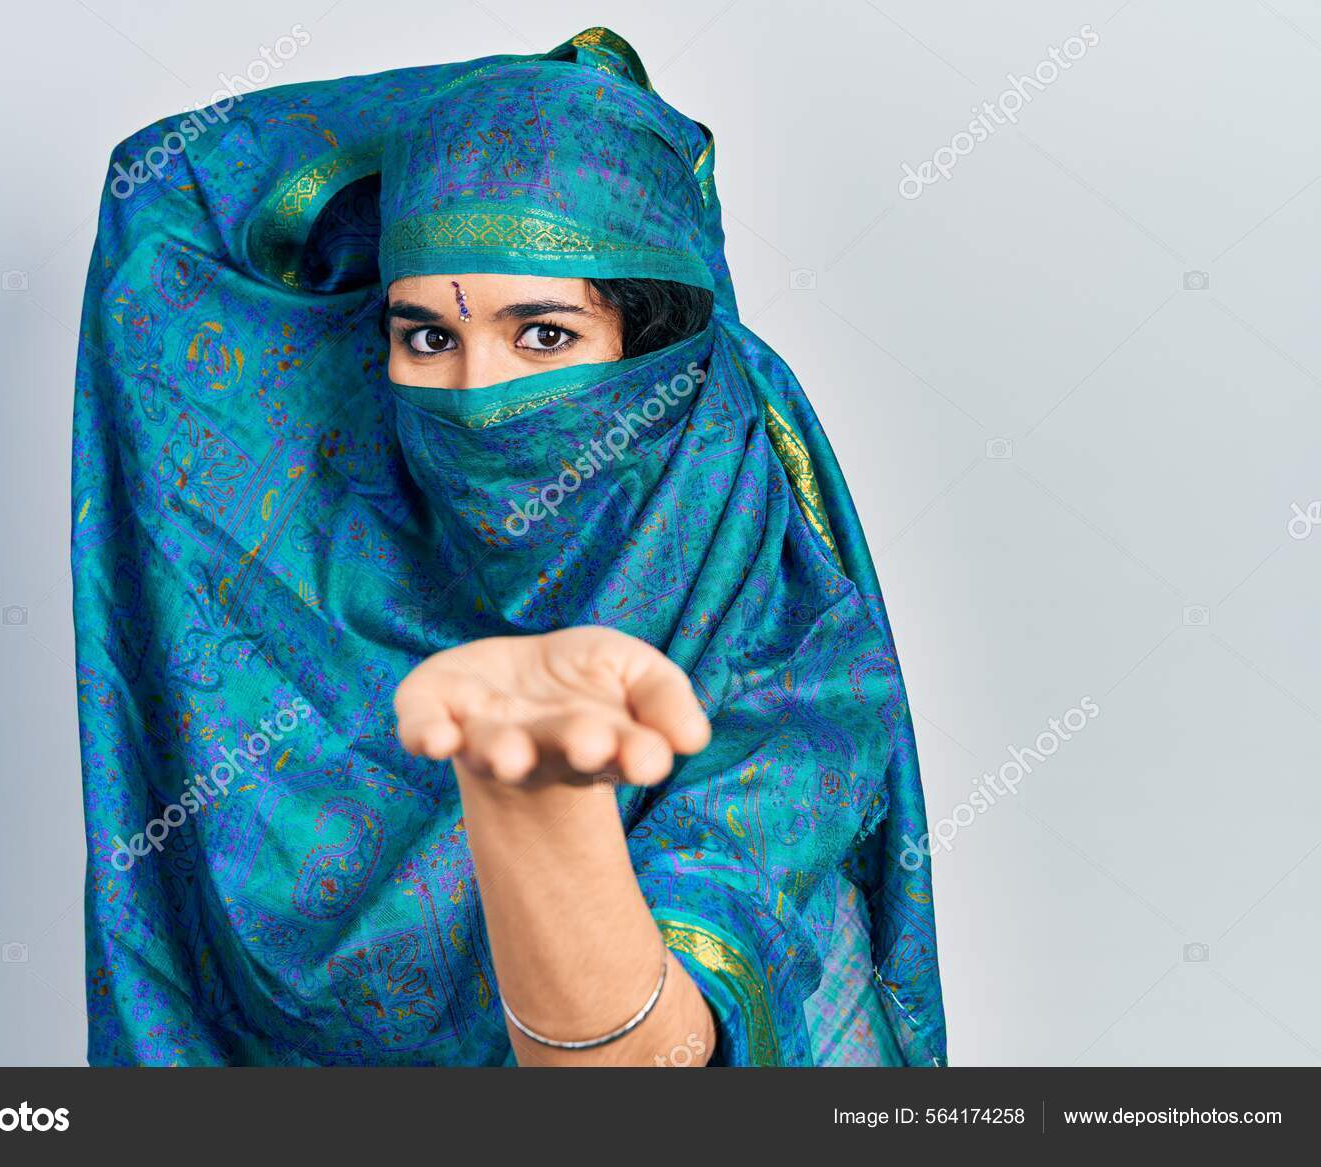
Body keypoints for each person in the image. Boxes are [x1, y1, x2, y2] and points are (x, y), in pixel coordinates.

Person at [73, 27, 945, 1066]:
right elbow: (161, 189)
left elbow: (649, 1066)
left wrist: (534, 797)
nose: (478, 395)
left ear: (652, 347)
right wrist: (513, 113)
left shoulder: (785, 647)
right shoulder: (311, 603)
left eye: (543, 335)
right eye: (428, 337)